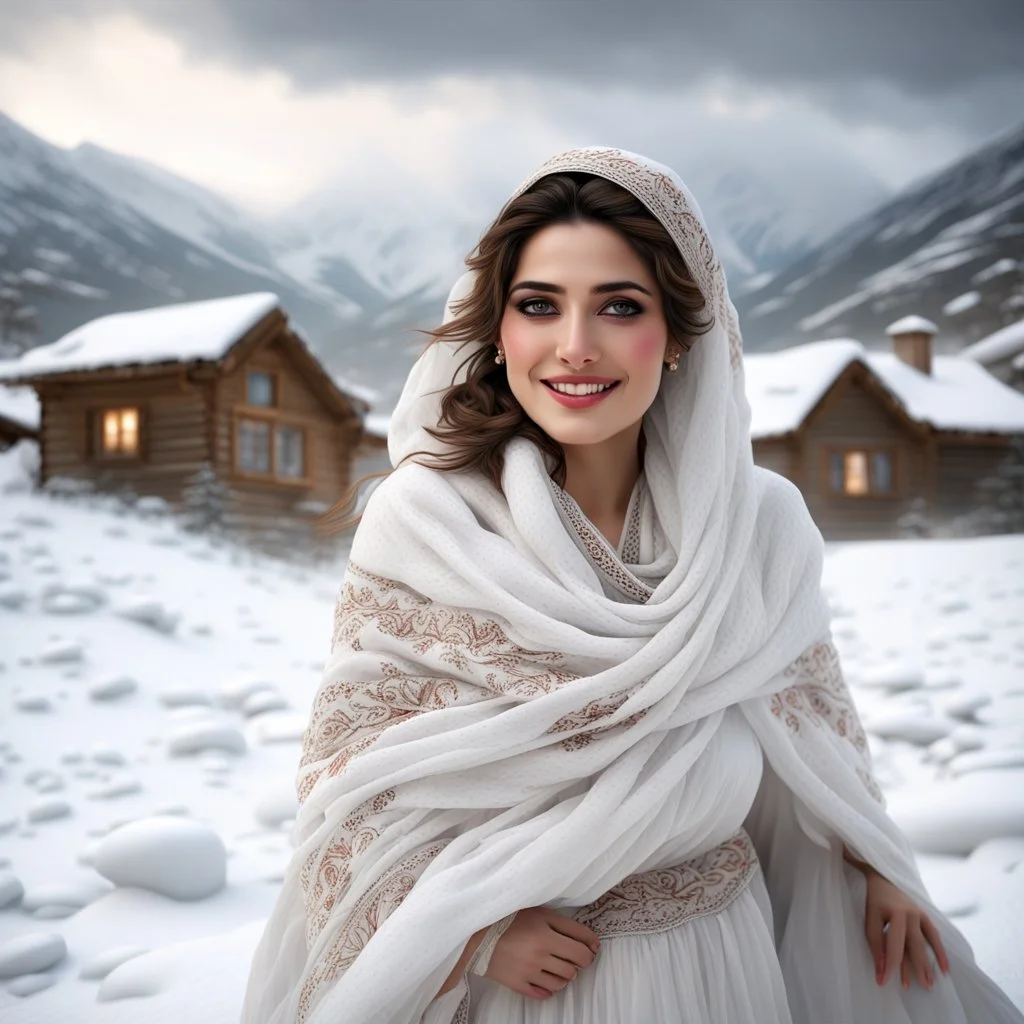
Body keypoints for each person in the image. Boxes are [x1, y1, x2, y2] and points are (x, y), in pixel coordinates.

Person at [241, 148, 1024, 1024]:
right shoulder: (428, 525)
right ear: (496, 331)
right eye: (539, 306)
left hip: (723, 960)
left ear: (683, 336)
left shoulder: (756, 526)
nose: (576, 348)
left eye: (620, 306)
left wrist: (873, 867)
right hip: (529, 987)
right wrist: (474, 936)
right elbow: (354, 781)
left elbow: (809, 723)